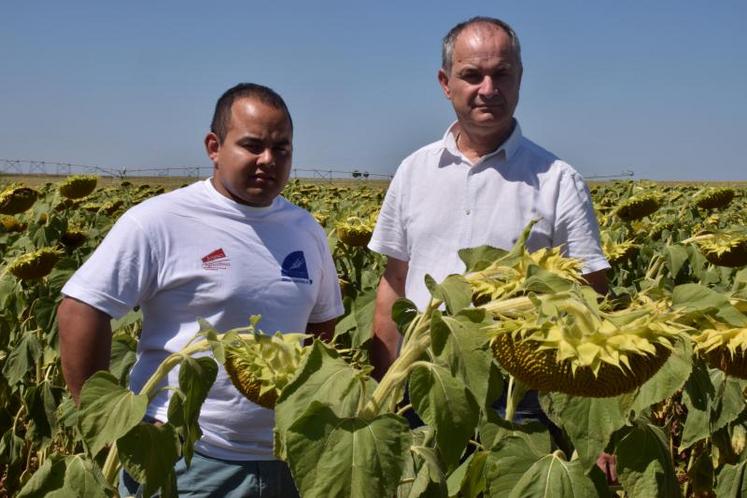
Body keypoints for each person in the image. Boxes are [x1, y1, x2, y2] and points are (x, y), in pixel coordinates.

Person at [57, 83, 343, 497]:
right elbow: (81, 307)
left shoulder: (306, 230)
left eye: (282, 149)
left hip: (288, 455)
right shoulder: (160, 221)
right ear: (214, 146)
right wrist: (111, 418)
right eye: (252, 145)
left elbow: (321, 325)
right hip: (187, 459)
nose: (268, 160)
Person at [367, 17, 615, 481]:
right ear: (446, 83)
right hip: (422, 381)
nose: (488, 88)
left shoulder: (557, 180)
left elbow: (591, 298)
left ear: (519, 79)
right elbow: (393, 284)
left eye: (502, 74)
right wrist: (384, 384)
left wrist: (590, 429)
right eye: (472, 75)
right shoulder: (414, 171)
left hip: (518, 395)